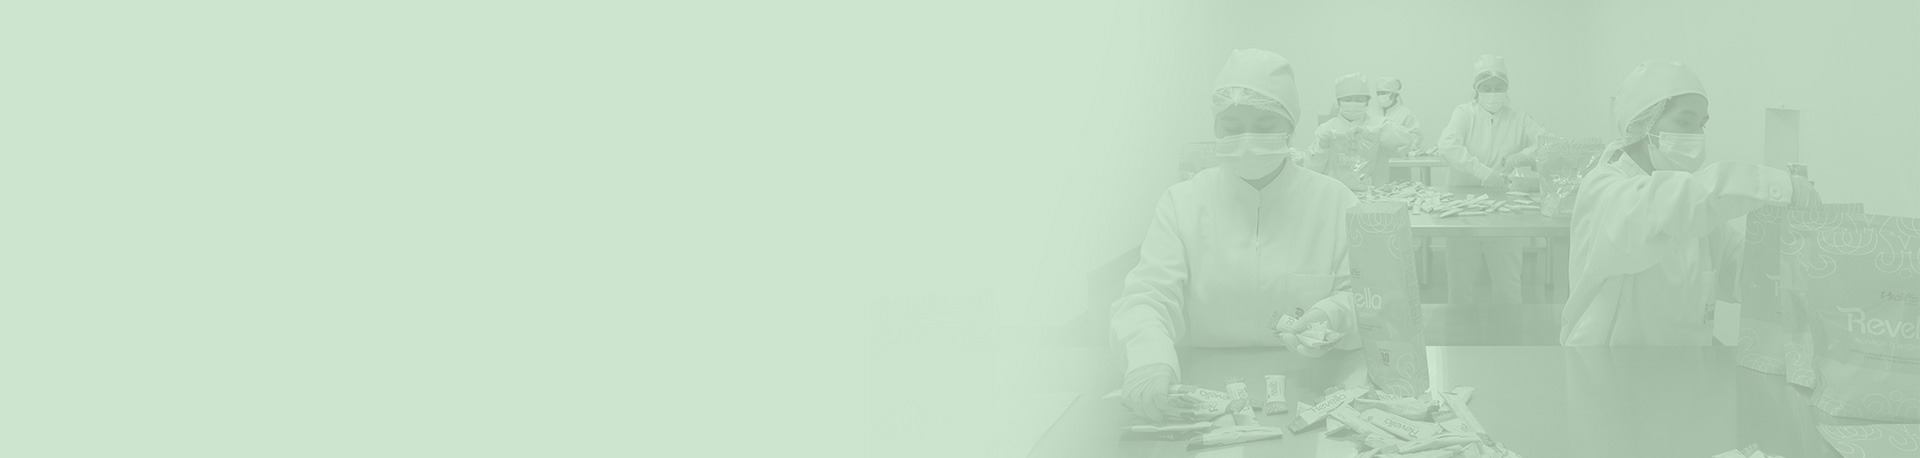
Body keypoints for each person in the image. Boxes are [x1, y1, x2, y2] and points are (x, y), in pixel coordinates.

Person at [1110, 49, 1361, 422]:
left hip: (1312, 390)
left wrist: (1333, 313)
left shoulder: (1334, 201)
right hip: (1200, 394)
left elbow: (1364, 297)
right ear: (1215, 128)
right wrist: (1149, 358)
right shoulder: (1183, 203)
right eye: (1232, 126)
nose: (1247, 139)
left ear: (1290, 126)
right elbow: (1148, 296)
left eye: (1264, 125)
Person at [1560, 61, 1820, 346]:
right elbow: (1666, 206)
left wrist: (1802, 268)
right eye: (1685, 122)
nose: (1696, 136)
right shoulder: (1606, 189)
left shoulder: (1696, 209)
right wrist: (1777, 186)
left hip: (1683, 367)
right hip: (1607, 368)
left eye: (1701, 125)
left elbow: (1743, 270)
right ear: (1642, 125)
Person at [1435, 54, 1548, 306]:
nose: (1493, 93)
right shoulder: (1464, 113)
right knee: (1460, 282)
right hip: (1462, 207)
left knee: (1508, 283)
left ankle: (1509, 327)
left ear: (1507, 88)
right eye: (1486, 87)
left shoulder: (1519, 118)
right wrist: (1485, 173)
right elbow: (1447, 146)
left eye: (1499, 87)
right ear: (1476, 89)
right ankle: (1460, 328)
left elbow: (1546, 142)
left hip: (1505, 208)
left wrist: (1522, 156)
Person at [1369, 77, 1423, 152]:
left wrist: (1401, 149)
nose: (1380, 96)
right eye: (1379, 93)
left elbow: (1416, 138)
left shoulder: (1406, 114)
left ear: (1394, 95)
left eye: (1384, 93)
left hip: (1397, 156)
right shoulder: (1371, 112)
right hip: (1373, 155)